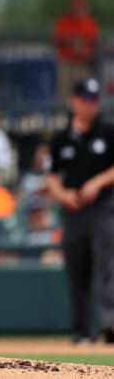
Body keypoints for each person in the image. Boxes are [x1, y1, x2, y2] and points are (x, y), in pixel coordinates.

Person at [47, 78, 114, 344]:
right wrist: (63, 194)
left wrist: (97, 183)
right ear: (74, 101)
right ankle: (83, 330)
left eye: (94, 100)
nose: (90, 105)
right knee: (77, 268)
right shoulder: (62, 137)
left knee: (107, 265)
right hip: (72, 209)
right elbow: (51, 176)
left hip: (103, 207)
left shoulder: (108, 131)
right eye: (86, 99)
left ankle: (111, 324)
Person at [53, 0, 99, 104]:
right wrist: (71, 41)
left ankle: (85, 118)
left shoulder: (90, 22)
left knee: (85, 94)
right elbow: (57, 40)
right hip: (66, 63)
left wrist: (84, 47)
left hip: (84, 64)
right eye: (76, 5)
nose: (78, 8)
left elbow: (95, 42)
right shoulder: (64, 21)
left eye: (81, 5)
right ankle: (65, 116)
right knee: (64, 95)